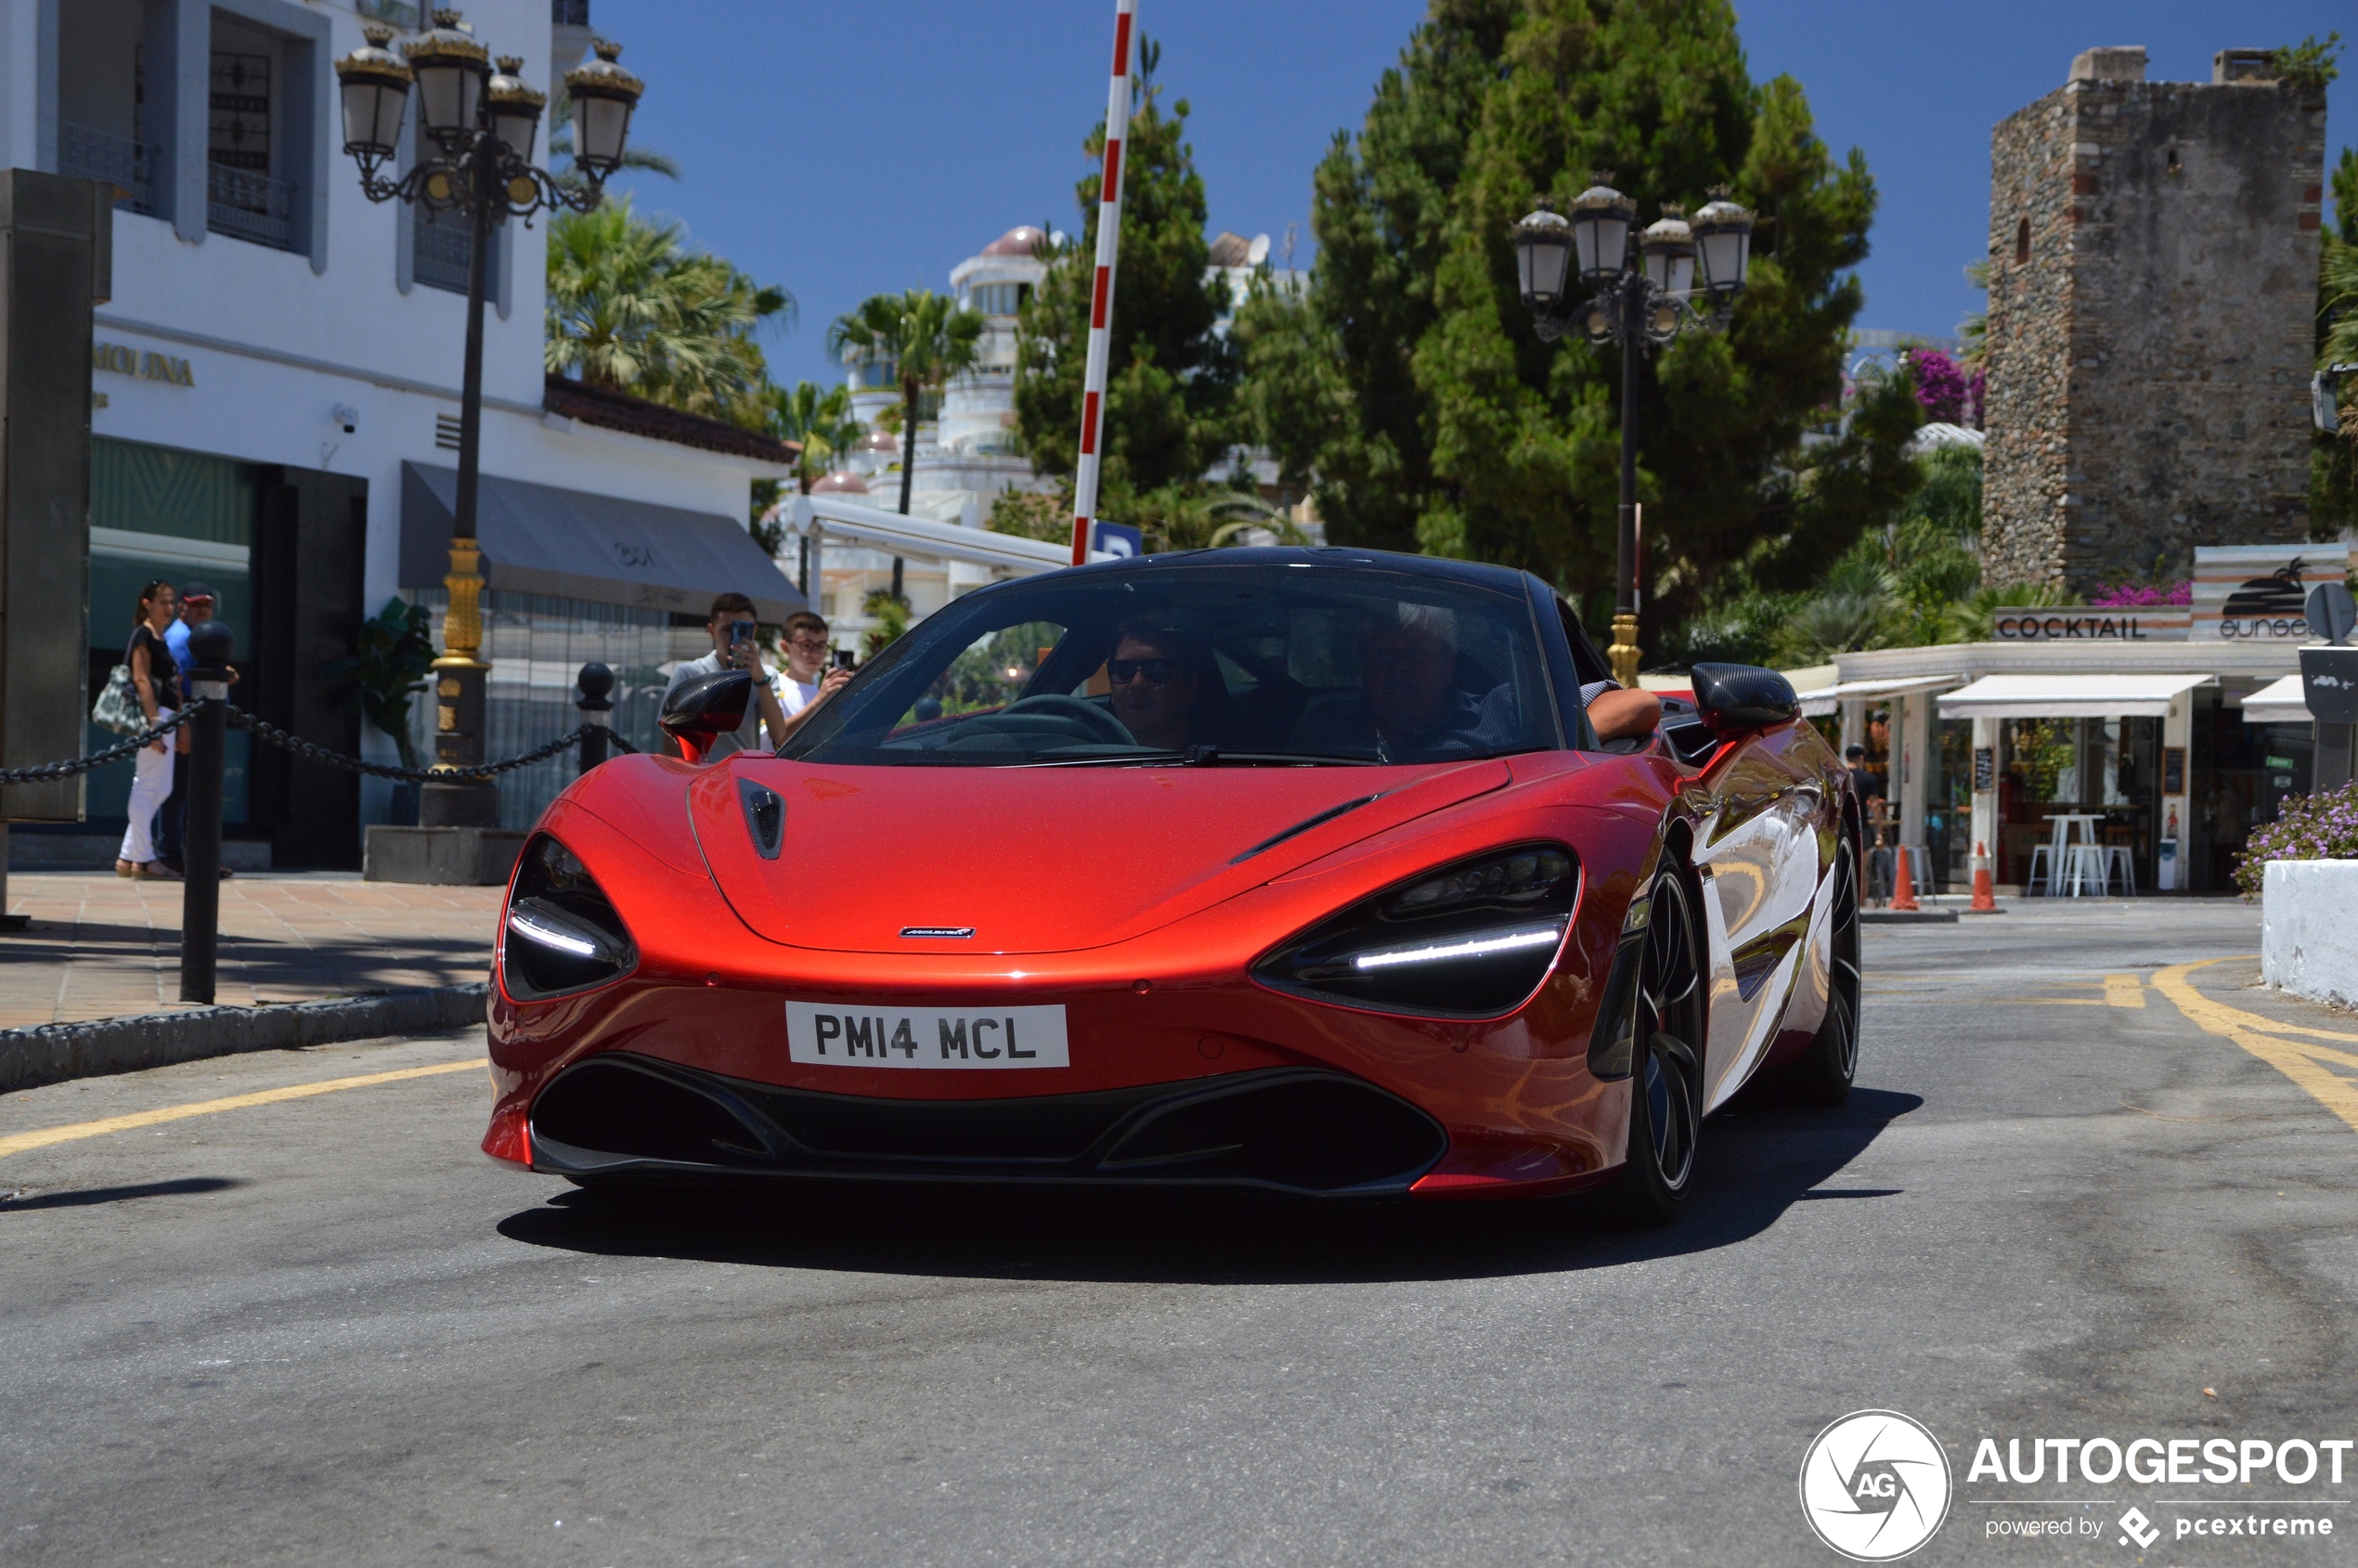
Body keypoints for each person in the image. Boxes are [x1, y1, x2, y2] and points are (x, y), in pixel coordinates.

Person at [1293, 603, 1657, 760]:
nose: (1399, 669)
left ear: (1448, 662)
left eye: (1416, 654)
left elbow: (1638, 705)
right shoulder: (1323, 727)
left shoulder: (1502, 713)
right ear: (1364, 663)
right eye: (1384, 655)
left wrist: (1560, 742)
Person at [665, 593, 845, 760]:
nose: (734, 638)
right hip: (700, 775)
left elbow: (779, 734)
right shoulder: (689, 673)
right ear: (712, 630)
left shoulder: (766, 676)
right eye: (727, 629)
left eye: (743, 630)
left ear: (754, 631)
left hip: (742, 775)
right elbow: (670, 735)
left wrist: (759, 677)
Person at [157, 580, 237, 878]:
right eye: (195, 604)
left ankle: (197, 857)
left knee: (197, 791)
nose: (202, 609)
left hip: (204, 717)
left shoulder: (199, 636)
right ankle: (172, 855)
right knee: (180, 791)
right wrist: (185, 728)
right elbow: (176, 684)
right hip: (189, 716)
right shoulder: (180, 638)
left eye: (207, 604)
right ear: (182, 607)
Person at [115, 581, 179, 879]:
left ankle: (128, 855)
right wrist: (153, 723)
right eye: (163, 601)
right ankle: (143, 858)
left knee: (161, 787)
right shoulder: (143, 634)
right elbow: (141, 679)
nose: (169, 608)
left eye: (171, 602)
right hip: (152, 716)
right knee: (145, 784)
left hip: (165, 716)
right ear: (146, 603)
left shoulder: (160, 636)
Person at [1105, 615, 1231, 751]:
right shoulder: (1085, 754)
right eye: (1124, 670)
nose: (1136, 683)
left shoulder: (1228, 763)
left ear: (1189, 688)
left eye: (1157, 670)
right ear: (1111, 686)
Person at [773, 610, 851, 730]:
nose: (815, 654)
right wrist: (819, 701)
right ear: (785, 647)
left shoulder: (820, 692)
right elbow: (777, 737)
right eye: (806, 645)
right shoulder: (774, 687)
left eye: (821, 646)